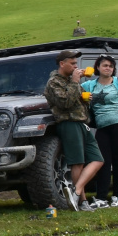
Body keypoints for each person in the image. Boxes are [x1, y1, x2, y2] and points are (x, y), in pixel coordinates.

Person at [80, 54, 118, 208]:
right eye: (105, 65)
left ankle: (117, 197)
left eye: (111, 66)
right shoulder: (90, 86)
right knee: (102, 162)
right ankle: (101, 198)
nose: (108, 68)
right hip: (102, 128)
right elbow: (77, 94)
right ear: (98, 68)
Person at [45, 49, 105, 211]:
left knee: (98, 159)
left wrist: (85, 97)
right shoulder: (53, 83)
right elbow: (65, 103)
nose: (75, 67)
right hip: (69, 124)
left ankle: (76, 191)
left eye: (76, 64)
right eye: (72, 64)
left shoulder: (72, 81)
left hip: (82, 123)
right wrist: (75, 81)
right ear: (62, 64)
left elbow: (76, 100)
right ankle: (82, 202)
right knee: (77, 162)